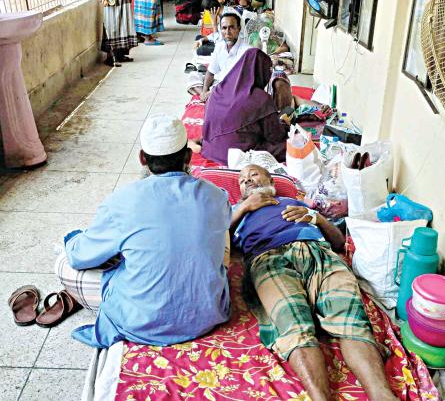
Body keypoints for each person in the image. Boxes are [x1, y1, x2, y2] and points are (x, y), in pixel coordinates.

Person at [55, 115, 232, 348]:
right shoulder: (217, 196)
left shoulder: (121, 202)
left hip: (143, 323)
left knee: (63, 263)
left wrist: (73, 238)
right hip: (207, 316)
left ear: (142, 159)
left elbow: (79, 257)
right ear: (188, 157)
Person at [230, 165, 399, 401]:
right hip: (268, 258)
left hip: (318, 252)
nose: (246, 180)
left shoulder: (293, 201)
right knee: (294, 326)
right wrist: (243, 208)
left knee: (352, 321)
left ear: (270, 179)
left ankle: (382, 395)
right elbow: (218, 243)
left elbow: (339, 242)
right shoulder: (235, 213)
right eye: (241, 180)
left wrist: (317, 218)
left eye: (253, 174)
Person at [201, 49, 287, 164]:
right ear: (261, 71)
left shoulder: (218, 89)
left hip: (211, 149)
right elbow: (275, 136)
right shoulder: (261, 98)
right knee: (288, 146)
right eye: (268, 70)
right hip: (239, 155)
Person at [200, 12, 253, 99]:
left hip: (236, 90)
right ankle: (208, 95)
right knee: (194, 77)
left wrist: (211, 93)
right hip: (219, 85)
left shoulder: (247, 51)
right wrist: (204, 91)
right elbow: (210, 72)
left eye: (231, 27)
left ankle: (211, 97)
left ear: (239, 29)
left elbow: (242, 83)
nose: (227, 32)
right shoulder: (219, 46)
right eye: (224, 28)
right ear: (220, 29)